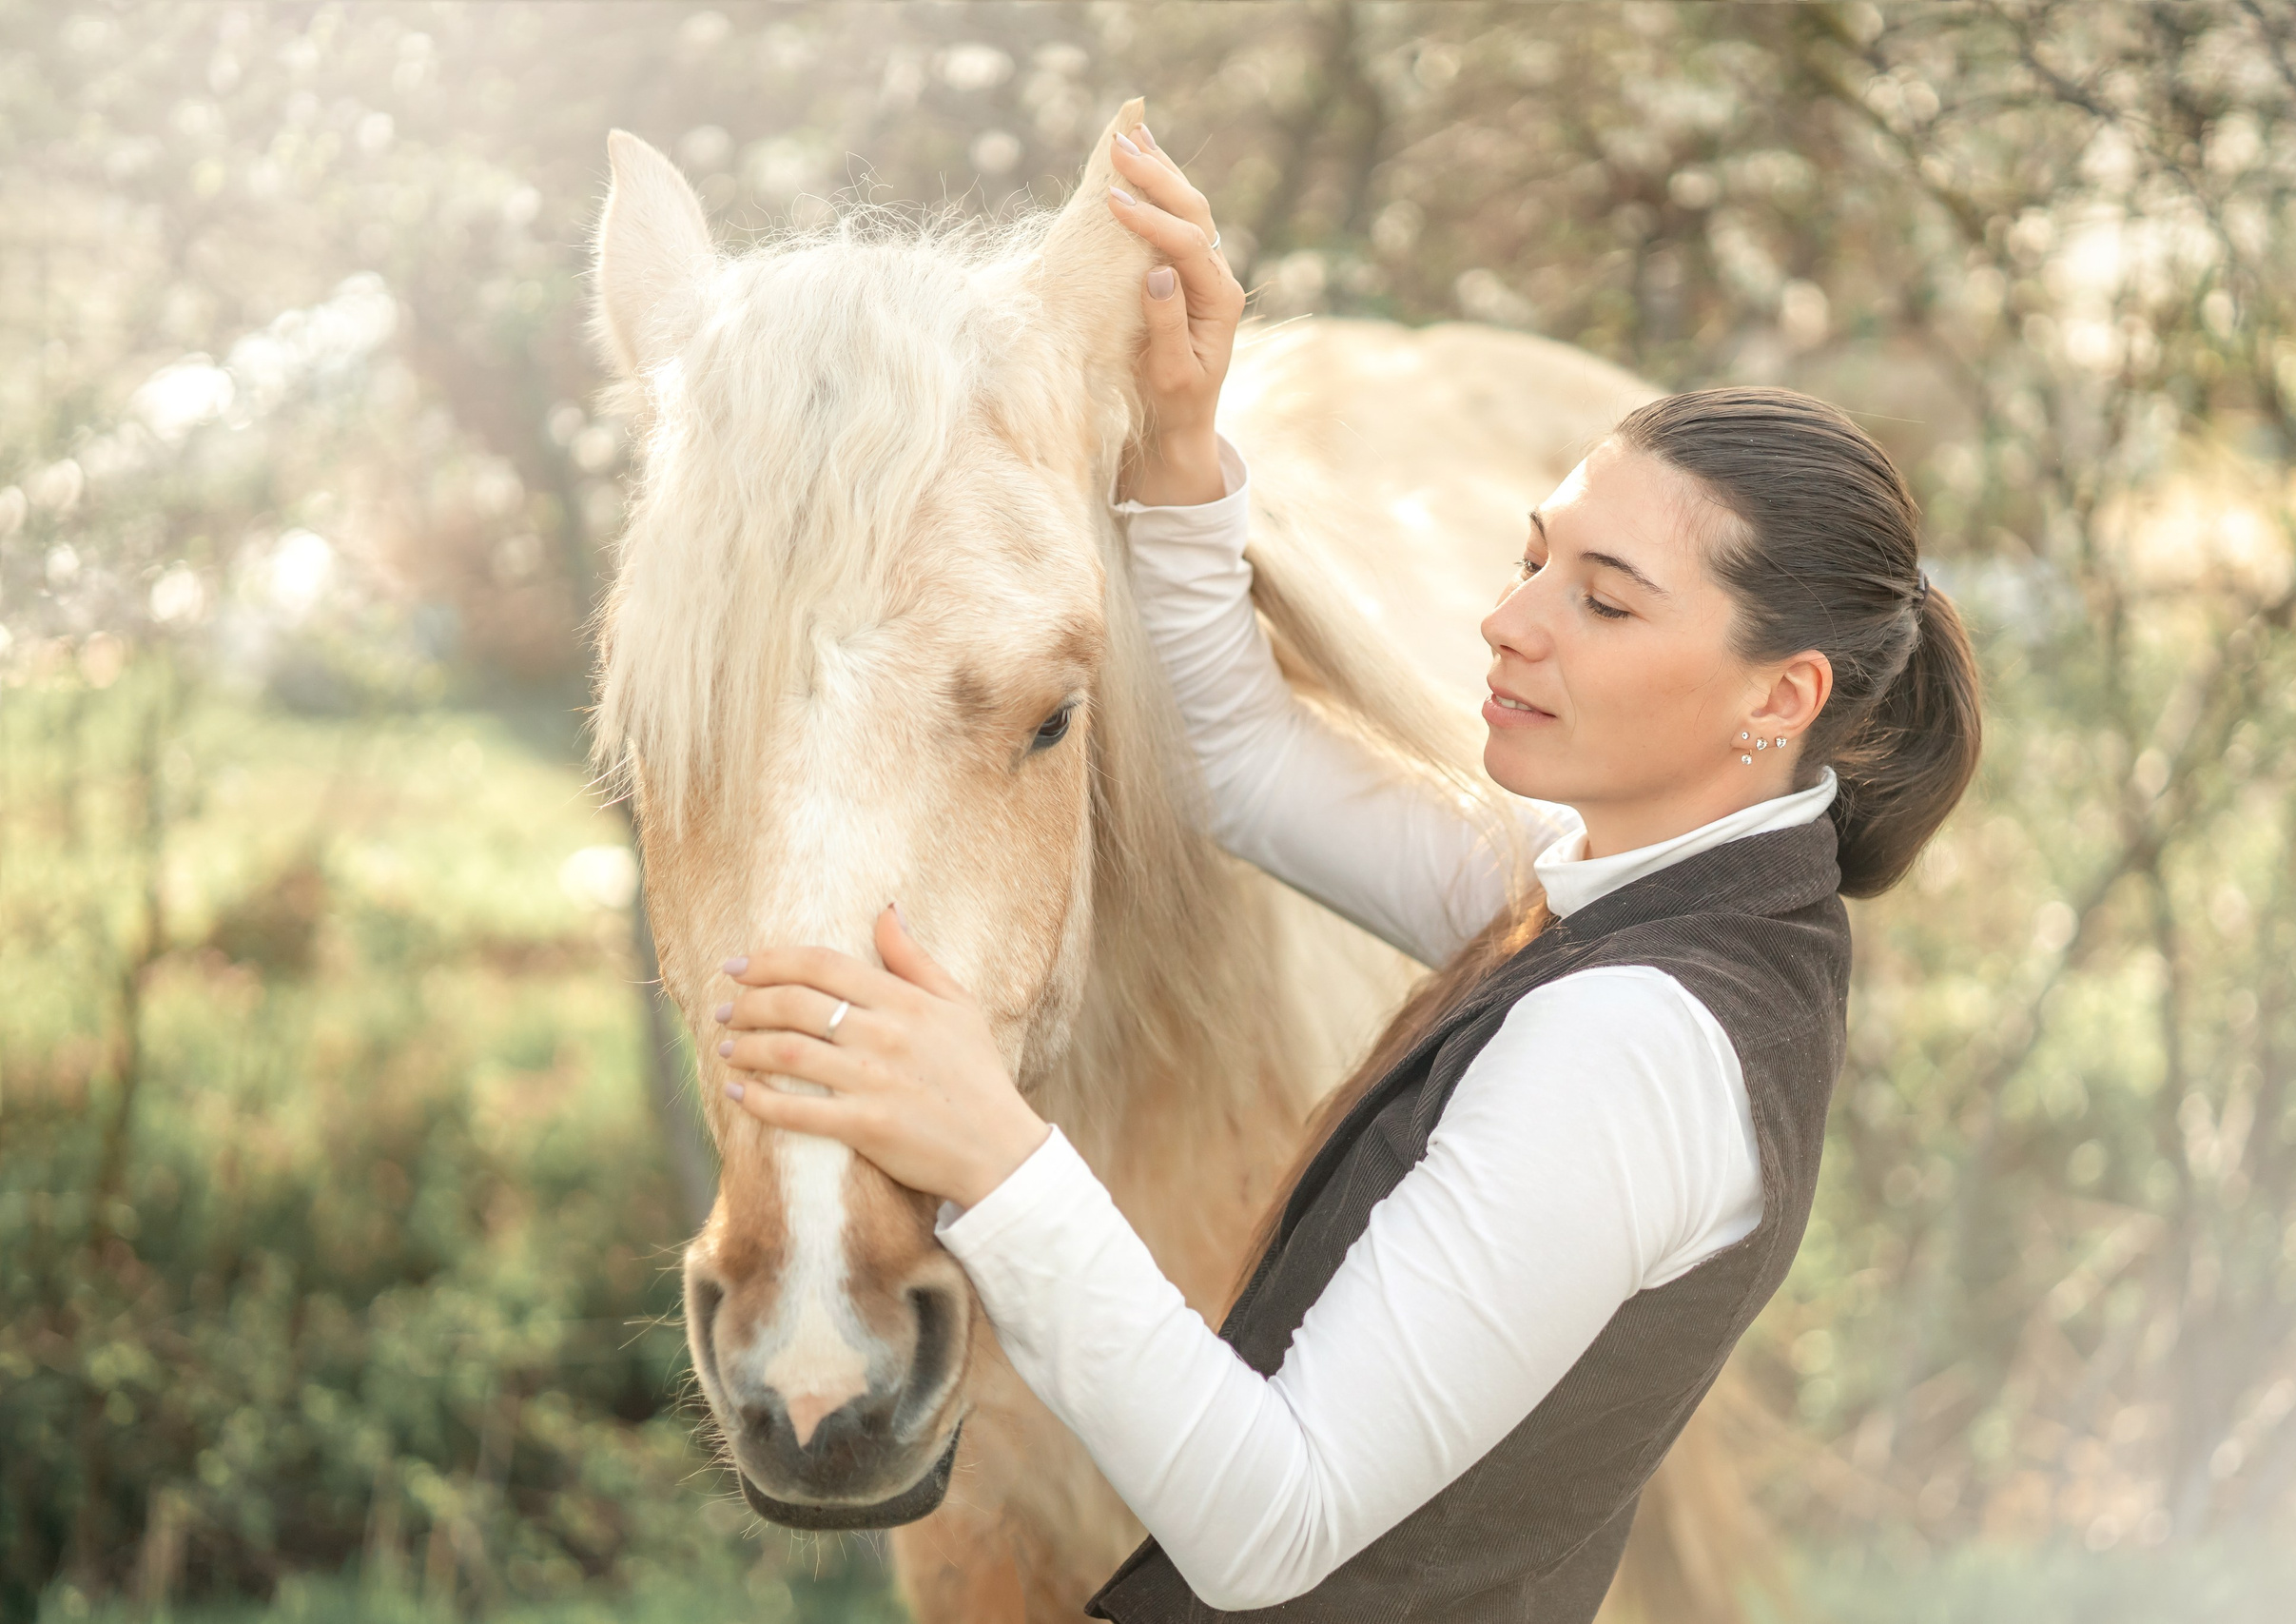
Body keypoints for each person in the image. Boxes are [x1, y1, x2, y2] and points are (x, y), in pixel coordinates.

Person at [710, 123, 1983, 1620]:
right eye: (1534, 558)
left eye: (1607, 601)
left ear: (1779, 699)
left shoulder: (1628, 1044)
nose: (1511, 624)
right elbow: (1242, 764)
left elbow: (1275, 1523)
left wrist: (994, 1152)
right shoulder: (1631, 907)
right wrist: (1181, 454)